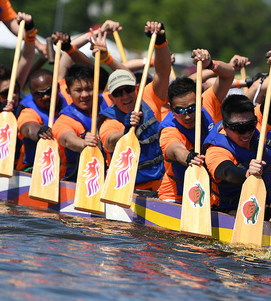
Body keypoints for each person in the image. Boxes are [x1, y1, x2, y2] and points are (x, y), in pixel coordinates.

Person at [202, 50, 271, 214]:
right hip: (226, 210)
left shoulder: (257, 122)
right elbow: (227, 172)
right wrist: (247, 172)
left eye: (250, 126)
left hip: (259, 203)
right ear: (226, 127)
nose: (247, 133)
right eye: (239, 129)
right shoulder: (216, 149)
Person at [158, 49, 246, 203]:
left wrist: (210, 64)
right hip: (176, 197)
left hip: (209, 194)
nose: (187, 116)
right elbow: (176, 150)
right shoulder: (169, 129)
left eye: (192, 109)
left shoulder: (208, 102)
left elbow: (228, 75)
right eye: (180, 111)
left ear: (200, 100)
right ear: (171, 109)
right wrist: (189, 157)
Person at [97, 21, 174, 193]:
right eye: (118, 93)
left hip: (162, 186)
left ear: (137, 89)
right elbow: (109, 143)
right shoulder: (110, 121)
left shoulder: (148, 97)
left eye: (129, 90)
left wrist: (160, 40)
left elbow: (163, 71)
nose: (125, 96)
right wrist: (125, 130)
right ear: (111, 97)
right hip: (126, 189)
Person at [17, 67, 60, 171]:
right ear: (31, 94)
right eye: (39, 94)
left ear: (58, 87)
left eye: (49, 91)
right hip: (34, 168)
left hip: (64, 169)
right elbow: (28, 127)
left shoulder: (71, 98)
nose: (45, 97)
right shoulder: (28, 111)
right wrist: (39, 131)